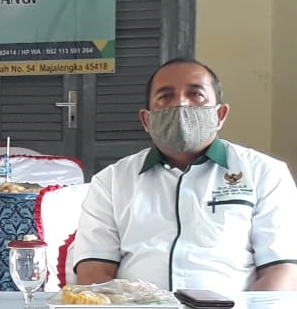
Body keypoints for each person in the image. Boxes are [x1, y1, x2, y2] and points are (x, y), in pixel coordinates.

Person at [72, 58, 297, 292]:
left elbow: (282, 271)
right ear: (146, 120)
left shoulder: (265, 173)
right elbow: (94, 270)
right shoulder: (111, 181)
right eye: (165, 96)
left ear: (220, 114)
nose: (180, 103)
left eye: (196, 95)